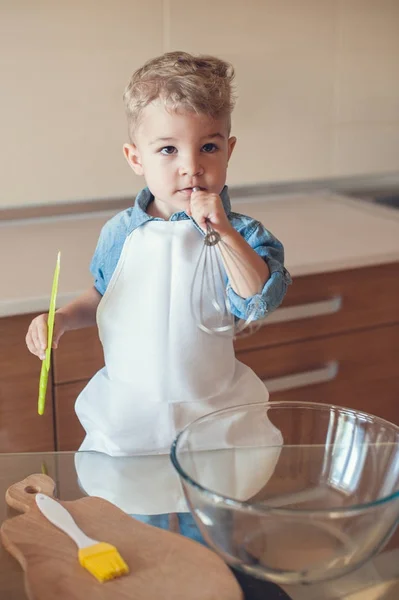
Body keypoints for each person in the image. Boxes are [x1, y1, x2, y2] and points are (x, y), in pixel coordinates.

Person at [26, 52, 291, 520]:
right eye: (168, 150)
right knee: (136, 524)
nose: (191, 167)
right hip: (132, 416)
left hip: (212, 417)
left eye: (207, 148)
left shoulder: (245, 234)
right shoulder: (119, 233)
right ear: (136, 157)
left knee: (208, 525)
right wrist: (62, 318)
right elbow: (103, 298)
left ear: (228, 150)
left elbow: (256, 300)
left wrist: (223, 231)